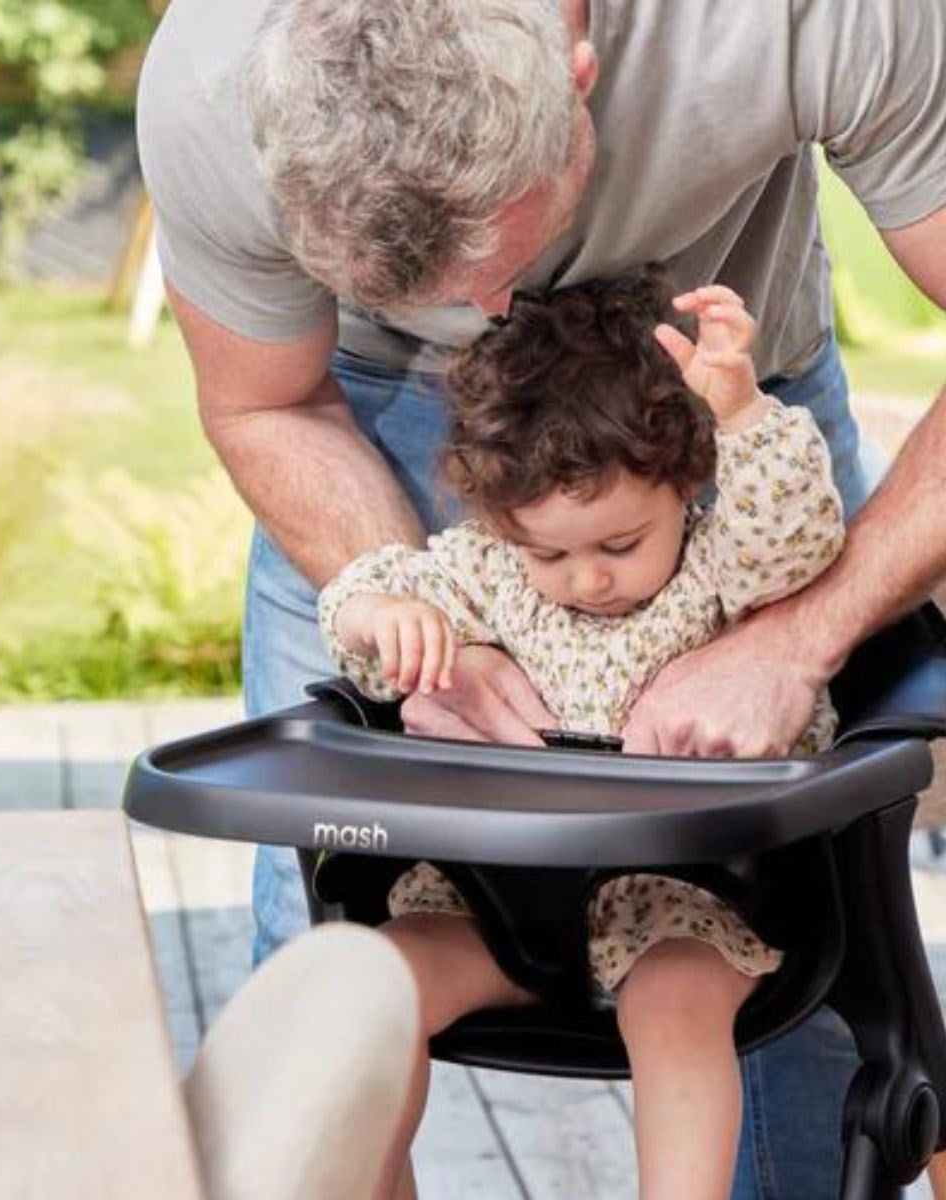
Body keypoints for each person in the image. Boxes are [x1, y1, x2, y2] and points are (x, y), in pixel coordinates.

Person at [137, 0, 946, 1192]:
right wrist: (392, 609)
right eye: (423, 284)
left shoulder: (801, 16)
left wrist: (799, 633)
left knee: (802, 998)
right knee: (323, 961)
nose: (480, 318)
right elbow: (265, 401)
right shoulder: (214, 82)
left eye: (495, 261)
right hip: (356, 414)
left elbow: (780, 549)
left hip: (715, 401)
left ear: (580, 82)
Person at [316, 273, 843, 1200]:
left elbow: (793, 537)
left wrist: (743, 414)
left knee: (677, 1008)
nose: (588, 580)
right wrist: (380, 618)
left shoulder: (725, 568)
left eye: (619, 545)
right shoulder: (485, 573)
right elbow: (373, 599)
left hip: (686, 904)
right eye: (550, 553)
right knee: (368, 995)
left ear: (685, 483)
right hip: (495, 906)